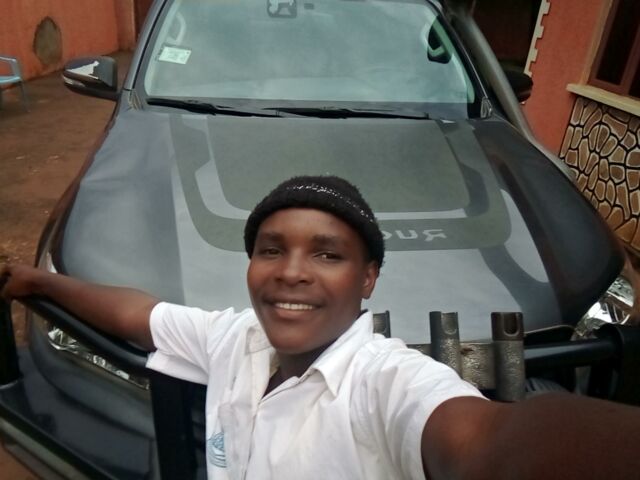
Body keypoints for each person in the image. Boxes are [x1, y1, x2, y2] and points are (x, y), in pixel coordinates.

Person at [1, 175, 640, 480]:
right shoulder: (234, 338)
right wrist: (37, 283)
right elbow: (138, 315)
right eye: (270, 249)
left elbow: (488, 440)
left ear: (368, 279)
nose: (291, 273)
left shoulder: (387, 382)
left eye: (328, 255)